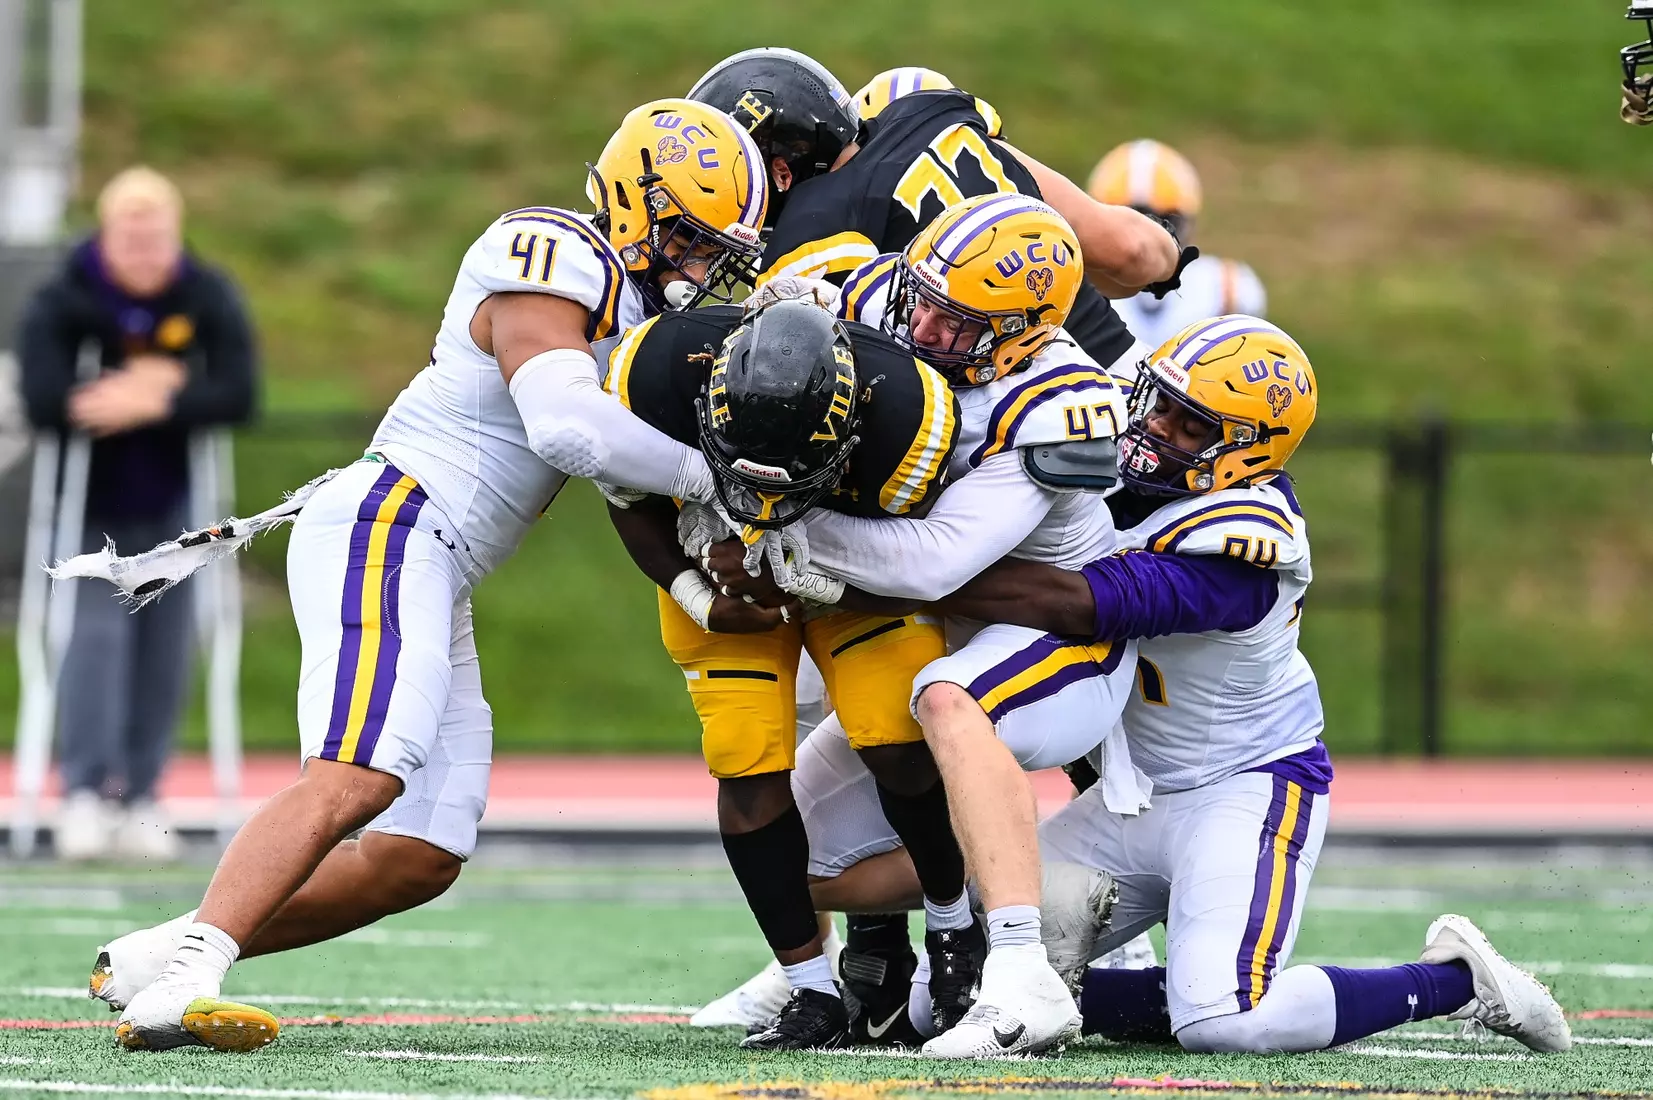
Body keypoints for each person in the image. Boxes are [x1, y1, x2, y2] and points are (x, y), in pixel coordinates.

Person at [87, 98, 768, 1054]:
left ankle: (157, 955)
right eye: (692, 241)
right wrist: (716, 475)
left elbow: (624, 491)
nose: (704, 269)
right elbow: (568, 428)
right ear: (635, 204)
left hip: (434, 557)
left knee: (418, 854)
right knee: (360, 774)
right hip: (393, 521)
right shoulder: (549, 250)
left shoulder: (646, 322)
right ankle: (191, 980)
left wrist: (703, 581)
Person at [759, 315, 1572, 1057]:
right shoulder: (1117, 454)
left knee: (1225, 1021)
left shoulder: (1246, 545)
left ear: (1248, 451)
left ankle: (1452, 979)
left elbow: (1075, 603)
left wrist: (897, 573)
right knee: (950, 1001)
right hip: (1129, 800)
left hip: (1243, 785)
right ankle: (1110, 992)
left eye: (1193, 426)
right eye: (1159, 404)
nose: (1157, 430)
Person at [698, 194, 1136, 1058]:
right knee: (810, 865)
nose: (927, 328)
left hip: (1049, 639)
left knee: (943, 694)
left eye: (960, 322)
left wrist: (765, 520)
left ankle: (1017, 969)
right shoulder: (864, 296)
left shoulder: (1057, 399)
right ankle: (1022, 885)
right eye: (922, 299)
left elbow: (936, 560)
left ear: (1025, 333)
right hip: (932, 623)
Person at [599, 296, 964, 1049]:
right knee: (743, 756)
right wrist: (697, 594)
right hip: (716, 574)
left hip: (855, 582)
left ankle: (957, 933)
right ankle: (808, 988)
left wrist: (814, 577)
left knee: (897, 736)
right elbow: (630, 498)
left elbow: (923, 565)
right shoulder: (653, 372)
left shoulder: (908, 414)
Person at [18, 166, 258, 862]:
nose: (145, 254)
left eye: (157, 239)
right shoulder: (68, 298)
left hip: (177, 500)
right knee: (95, 640)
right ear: (108, 233)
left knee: (167, 642)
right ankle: (86, 792)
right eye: (132, 238)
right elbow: (45, 397)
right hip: (91, 504)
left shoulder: (204, 293)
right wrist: (132, 388)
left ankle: (143, 793)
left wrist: (162, 396)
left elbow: (238, 392)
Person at [686, 48, 1191, 376]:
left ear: (779, 170)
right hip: (1133, 381)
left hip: (1026, 435)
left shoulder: (812, 230)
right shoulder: (934, 114)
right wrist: (1170, 261)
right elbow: (1126, 251)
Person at [1088, 140, 1266, 352]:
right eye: (1131, 221)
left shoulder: (1229, 288)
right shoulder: (1076, 282)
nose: (1143, 245)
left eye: (1164, 222)